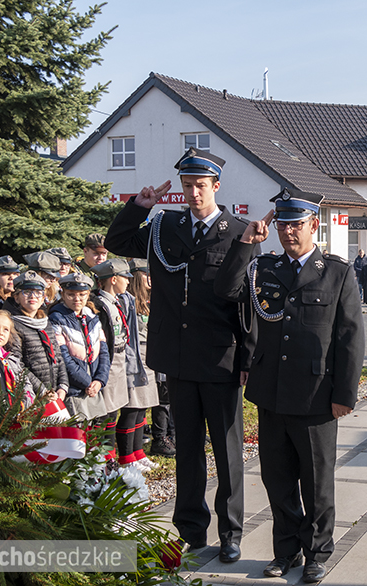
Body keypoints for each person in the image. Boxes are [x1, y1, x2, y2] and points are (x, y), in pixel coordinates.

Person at [104, 147, 254, 561]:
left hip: (221, 359)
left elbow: (245, 304)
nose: (193, 193)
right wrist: (139, 207)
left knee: (227, 451)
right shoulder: (163, 226)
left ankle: (231, 532)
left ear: (216, 186)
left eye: (200, 186)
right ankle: (191, 529)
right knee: (187, 448)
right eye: (187, 186)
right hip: (178, 357)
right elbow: (117, 241)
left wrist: (247, 359)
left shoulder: (237, 231)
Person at [213, 188, 364, 583]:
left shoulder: (337, 272)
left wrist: (344, 395)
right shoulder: (263, 268)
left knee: (316, 483)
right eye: (283, 224)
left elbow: (350, 337)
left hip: (316, 397)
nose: (288, 231)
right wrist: (246, 243)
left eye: (296, 224)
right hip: (271, 393)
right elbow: (225, 290)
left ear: (314, 225)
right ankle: (286, 550)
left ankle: (317, 552)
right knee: (277, 480)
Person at [48, 273, 111, 422]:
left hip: (94, 385)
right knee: (78, 429)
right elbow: (63, 357)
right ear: (63, 294)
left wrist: (100, 380)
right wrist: (87, 382)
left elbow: (103, 351)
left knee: (94, 429)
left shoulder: (92, 317)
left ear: (88, 295)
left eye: (82, 295)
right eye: (71, 294)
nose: (77, 299)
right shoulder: (57, 318)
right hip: (75, 387)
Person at [129, 258, 175, 458]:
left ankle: (167, 435)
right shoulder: (131, 302)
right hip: (141, 354)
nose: (150, 278)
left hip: (159, 349)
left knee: (165, 396)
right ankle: (159, 437)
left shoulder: (154, 297)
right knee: (145, 402)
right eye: (145, 274)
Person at [3, 271, 69, 400]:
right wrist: (41, 390)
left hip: (53, 392)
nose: (33, 296)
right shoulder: (12, 325)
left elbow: (58, 356)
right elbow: (17, 364)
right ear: (16, 297)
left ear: (43, 297)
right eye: (26, 292)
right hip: (31, 395)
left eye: (38, 292)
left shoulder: (45, 322)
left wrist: (63, 385)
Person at [90, 259, 132, 460]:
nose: (128, 282)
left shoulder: (117, 301)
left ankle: (110, 456)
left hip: (120, 357)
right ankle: (102, 456)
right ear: (114, 279)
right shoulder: (100, 304)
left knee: (114, 409)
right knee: (105, 410)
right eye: (125, 277)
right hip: (109, 359)